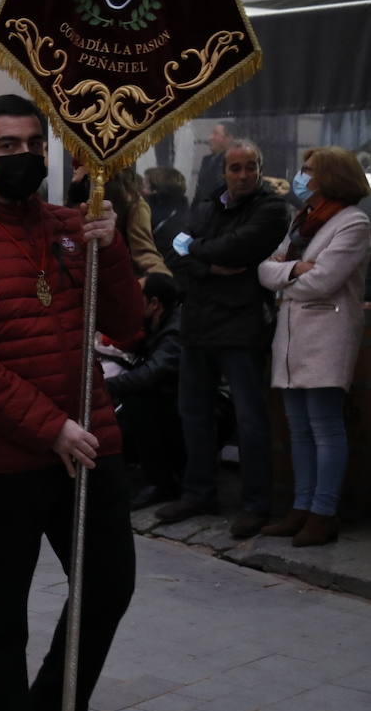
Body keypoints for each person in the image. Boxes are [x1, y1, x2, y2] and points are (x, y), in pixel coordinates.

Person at [0, 94, 144, 711]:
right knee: (1, 610)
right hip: (3, 458)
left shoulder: (74, 227)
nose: (22, 156)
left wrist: (114, 247)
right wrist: (50, 428)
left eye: (32, 145)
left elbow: (127, 326)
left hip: (90, 445)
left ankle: (53, 703)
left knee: (108, 585)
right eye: (7, 147)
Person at [159, 139, 289, 536]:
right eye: (236, 168)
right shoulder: (207, 205)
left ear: (260, 168)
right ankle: (199, 491)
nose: (244, 175)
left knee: (250, 420)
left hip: (242, 325)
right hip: (198, 323)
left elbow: (239, 248)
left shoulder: (270, 208)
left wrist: (199, 252)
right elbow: (173, 251)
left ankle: (256, 503)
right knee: (193, 412)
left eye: (251, 167)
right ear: (224, 172)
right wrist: (209, 267)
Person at [258, 147, 371, 547]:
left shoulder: (353, 223)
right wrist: (292, 269)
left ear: (330, 175)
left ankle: (324, 512)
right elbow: (264, 268)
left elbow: (323, 282)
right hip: (292, 337)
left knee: (324, 427)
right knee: (299, 429)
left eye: (308, 170)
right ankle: (301, 507)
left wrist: (286, 274)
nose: (301, 176)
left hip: (327, 334)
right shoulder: (302, 219)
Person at [107, 272, 185, 509]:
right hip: (168, 399)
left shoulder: (174, 330)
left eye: (136, 297)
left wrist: (106, 386)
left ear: (154, 303)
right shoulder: (155, 324)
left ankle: (161, 482)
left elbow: (153, 372)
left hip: (185, 407)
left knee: (138, 402)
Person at [143, 166, 188, 263]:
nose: (143, 191)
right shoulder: (181, 212)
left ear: (157, 190)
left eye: (146, 186)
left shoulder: (171, 222)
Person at [192, 121, 236, 209]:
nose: (210, 138)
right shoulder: (206, 160)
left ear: (229, 138)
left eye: (215, 134)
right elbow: (200, 192)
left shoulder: (234, 160)